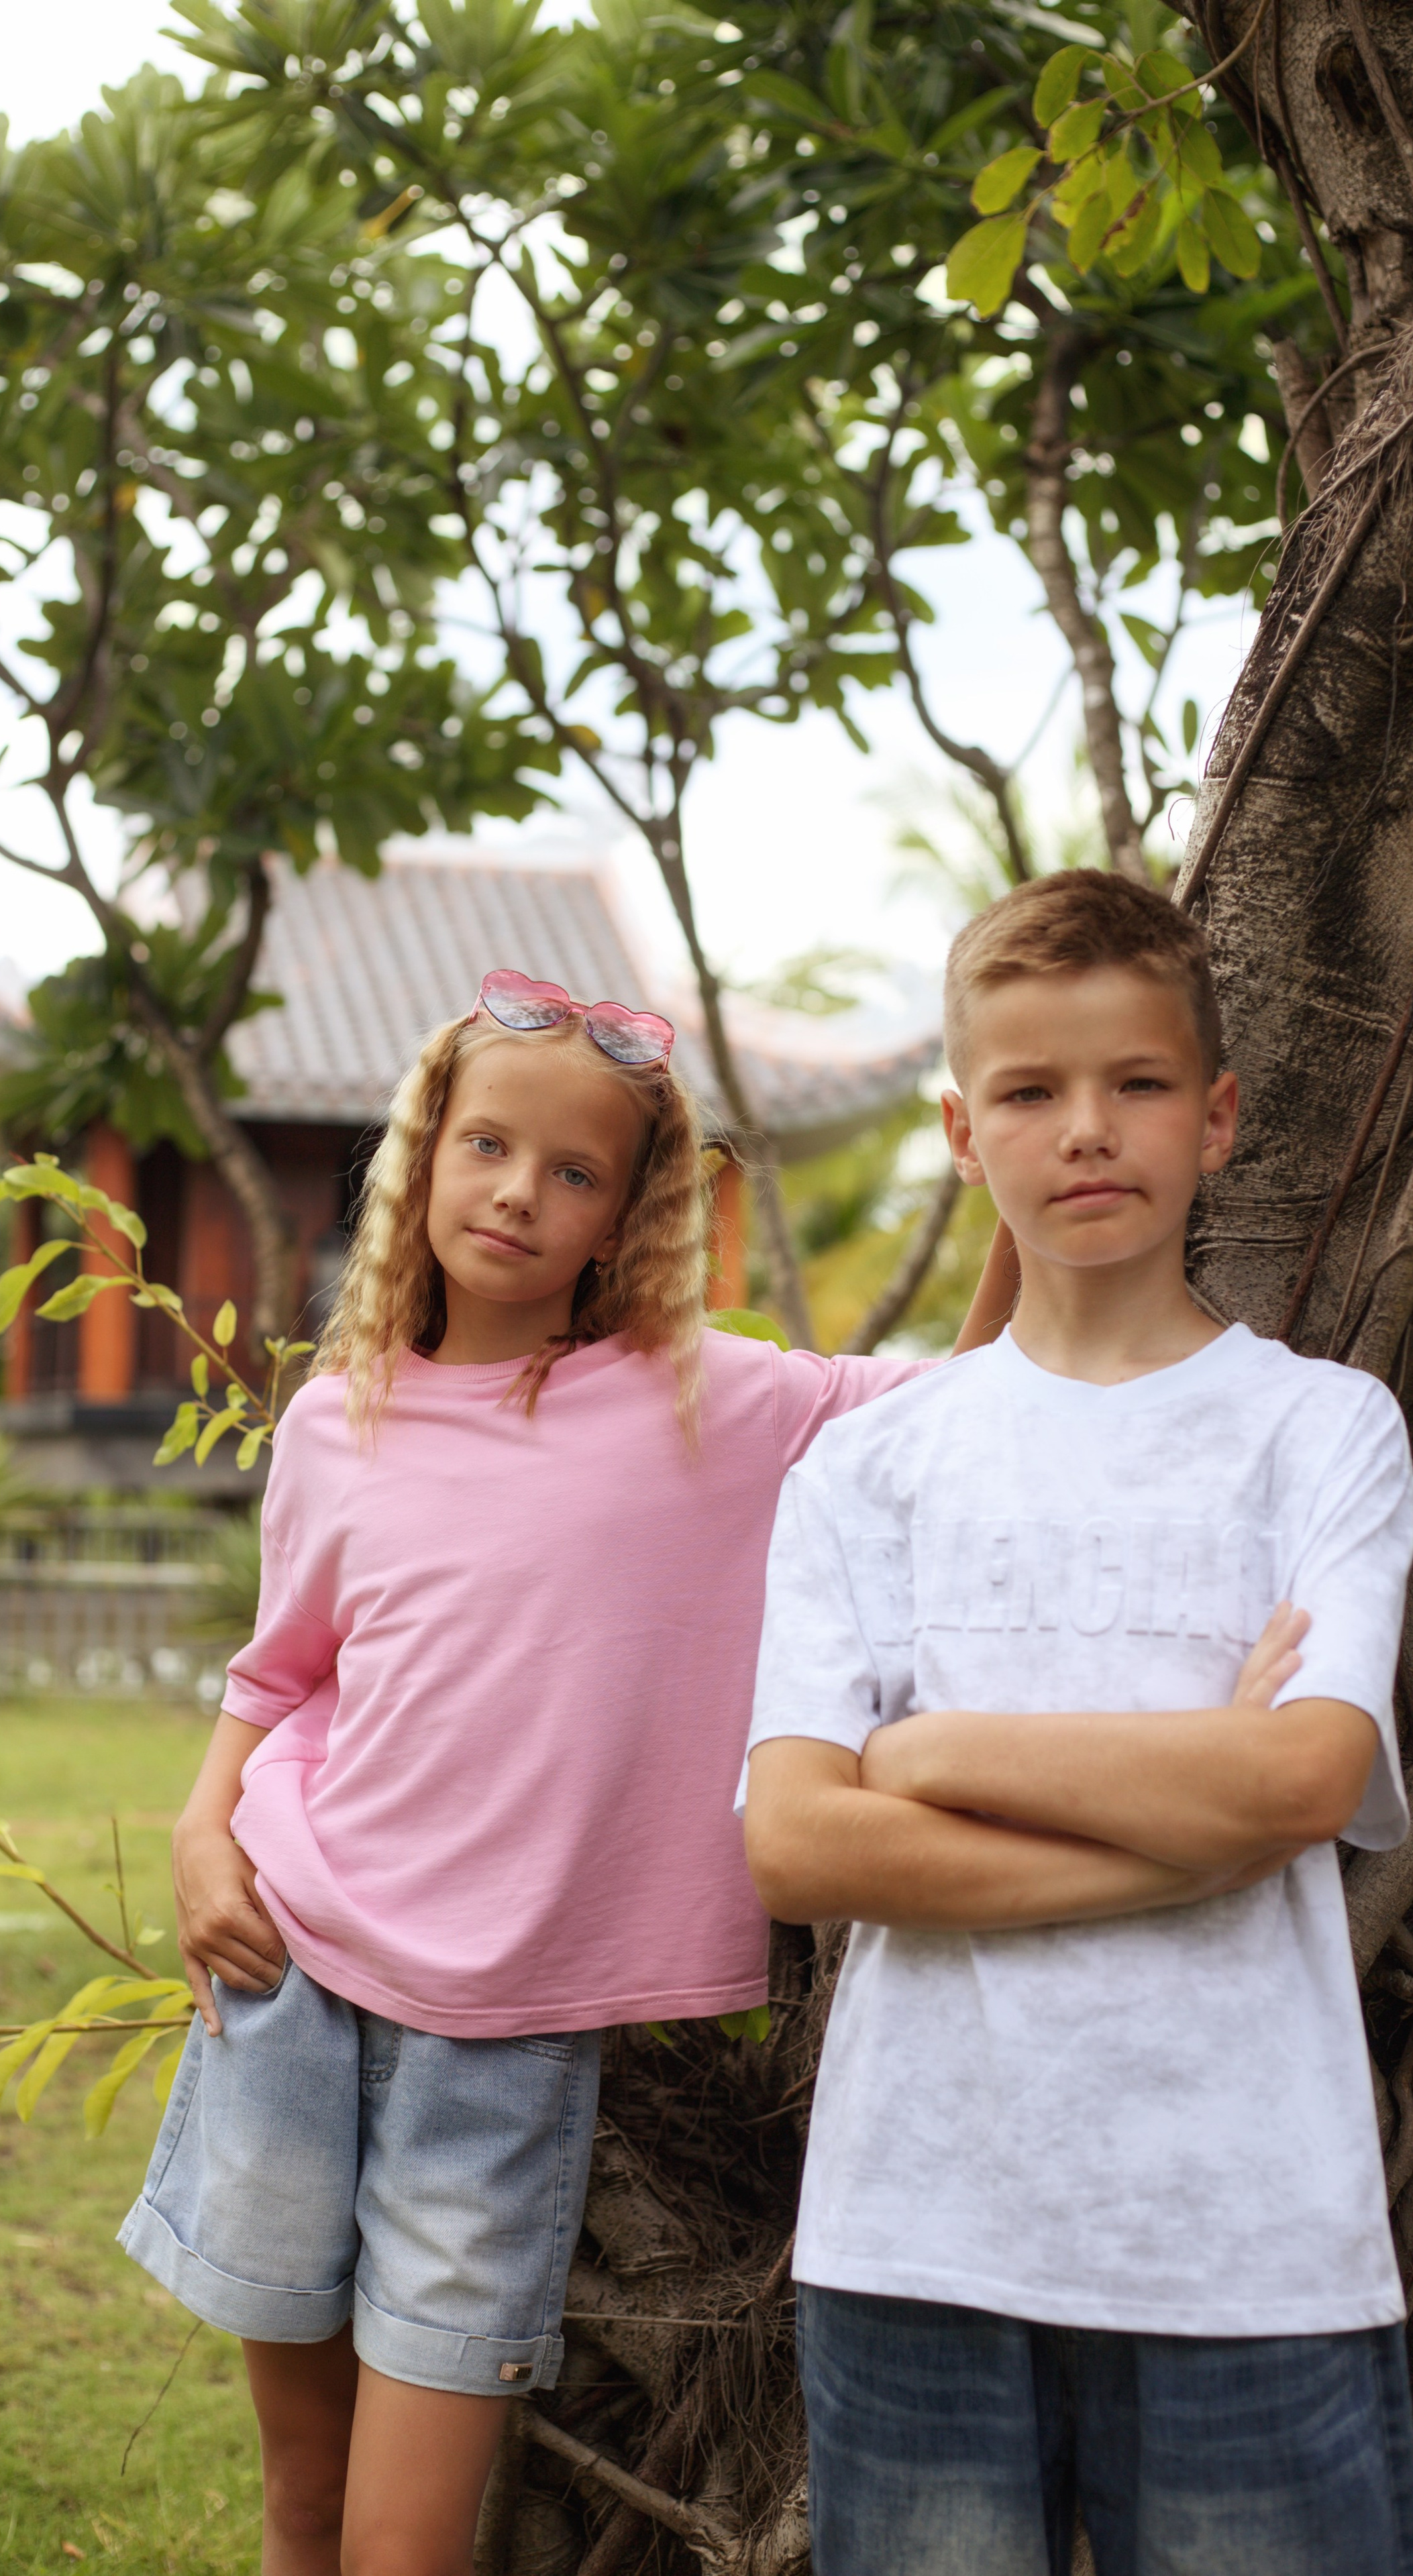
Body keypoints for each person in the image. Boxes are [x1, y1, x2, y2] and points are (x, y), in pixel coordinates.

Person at [118, 967, 1014, 2576]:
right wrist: (200, 1831)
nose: (519, 1193)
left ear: (620, 1219)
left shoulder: (711, 1401)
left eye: (573, 1172)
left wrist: (1008, 1193)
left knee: (403, 2543)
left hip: (506, 2046)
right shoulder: (338, 1420)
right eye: (485, 1147)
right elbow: (278, 1675)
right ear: (424, 1159)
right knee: (300, 2509)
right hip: (287, 1986)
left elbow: (966, 1405)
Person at [741, 872, 1413, 2576]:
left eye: (1132, 1083)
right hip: (915, 2234)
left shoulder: (1318, 1433)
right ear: (964, 1138)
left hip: (1250, 2233)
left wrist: (939, 1754)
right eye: (1031, 1094)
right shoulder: (869, 1465)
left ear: (1217, 1116)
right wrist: (1184, 1835)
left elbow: (1303, 1772)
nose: (1086, 1130)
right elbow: (798, 1843)